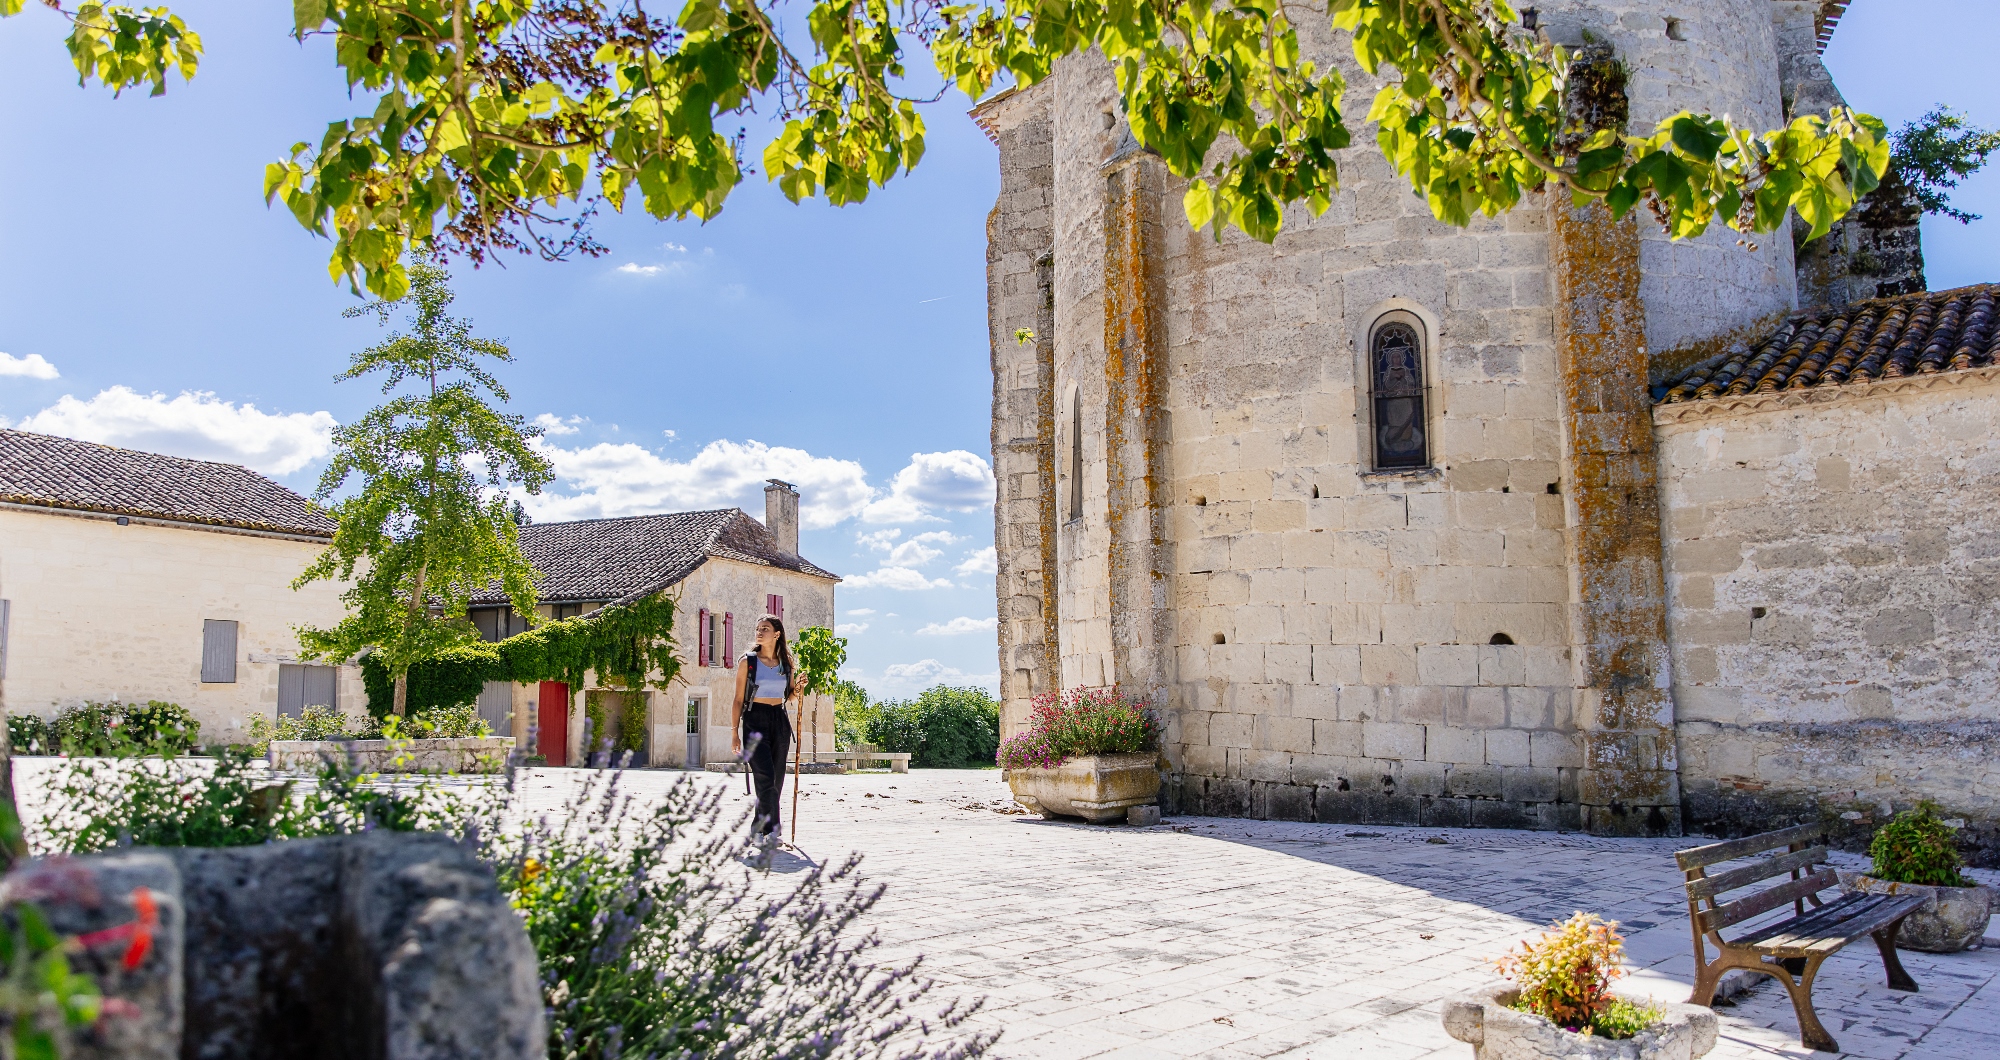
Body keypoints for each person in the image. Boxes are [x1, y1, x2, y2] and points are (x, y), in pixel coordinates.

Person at [732, 614, 803, 838]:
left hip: (779, 719)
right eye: (758, 628)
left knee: (777, 777)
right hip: (754, 719)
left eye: (765, 628)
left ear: (777, 634)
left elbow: (790, 695)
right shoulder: (748, 662)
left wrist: (798, 688)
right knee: (764, 775)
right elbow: (737, 699)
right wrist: (734, 732)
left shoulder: (786, 664)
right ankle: (770, 829)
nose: (760, 632)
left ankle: (761, 829)